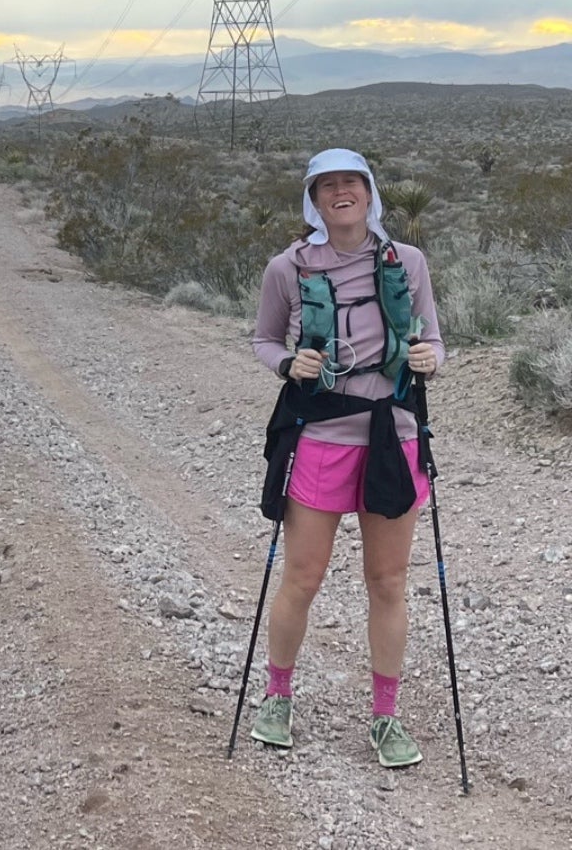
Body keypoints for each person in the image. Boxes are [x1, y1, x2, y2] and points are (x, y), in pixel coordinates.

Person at [246, 149, 443, 769]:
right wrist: (286, 363)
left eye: (350, 183)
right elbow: (262, 338)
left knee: (387, 582)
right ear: (313, 198)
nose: (340, 193)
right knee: (302, 577)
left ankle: (385, 717)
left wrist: (431, 358)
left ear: (368, 192)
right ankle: (277, 698)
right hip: (321, 439)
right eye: (326, 185)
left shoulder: (406, 262)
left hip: (394, 438)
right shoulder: (289, 267)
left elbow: (433, 336)